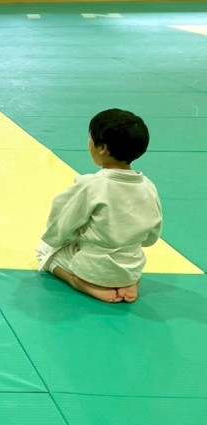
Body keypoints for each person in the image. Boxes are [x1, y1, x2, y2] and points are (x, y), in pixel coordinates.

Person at [36, 109, 162, 304]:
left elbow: (60, 225)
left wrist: (59, 239)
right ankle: (130, 282)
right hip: (132, 266)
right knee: (121, 250)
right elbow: (151, 237)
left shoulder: (91, 186)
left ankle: (79, 283)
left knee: (44, 251)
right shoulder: (148, 186)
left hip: (93, 269)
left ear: (102, 147)